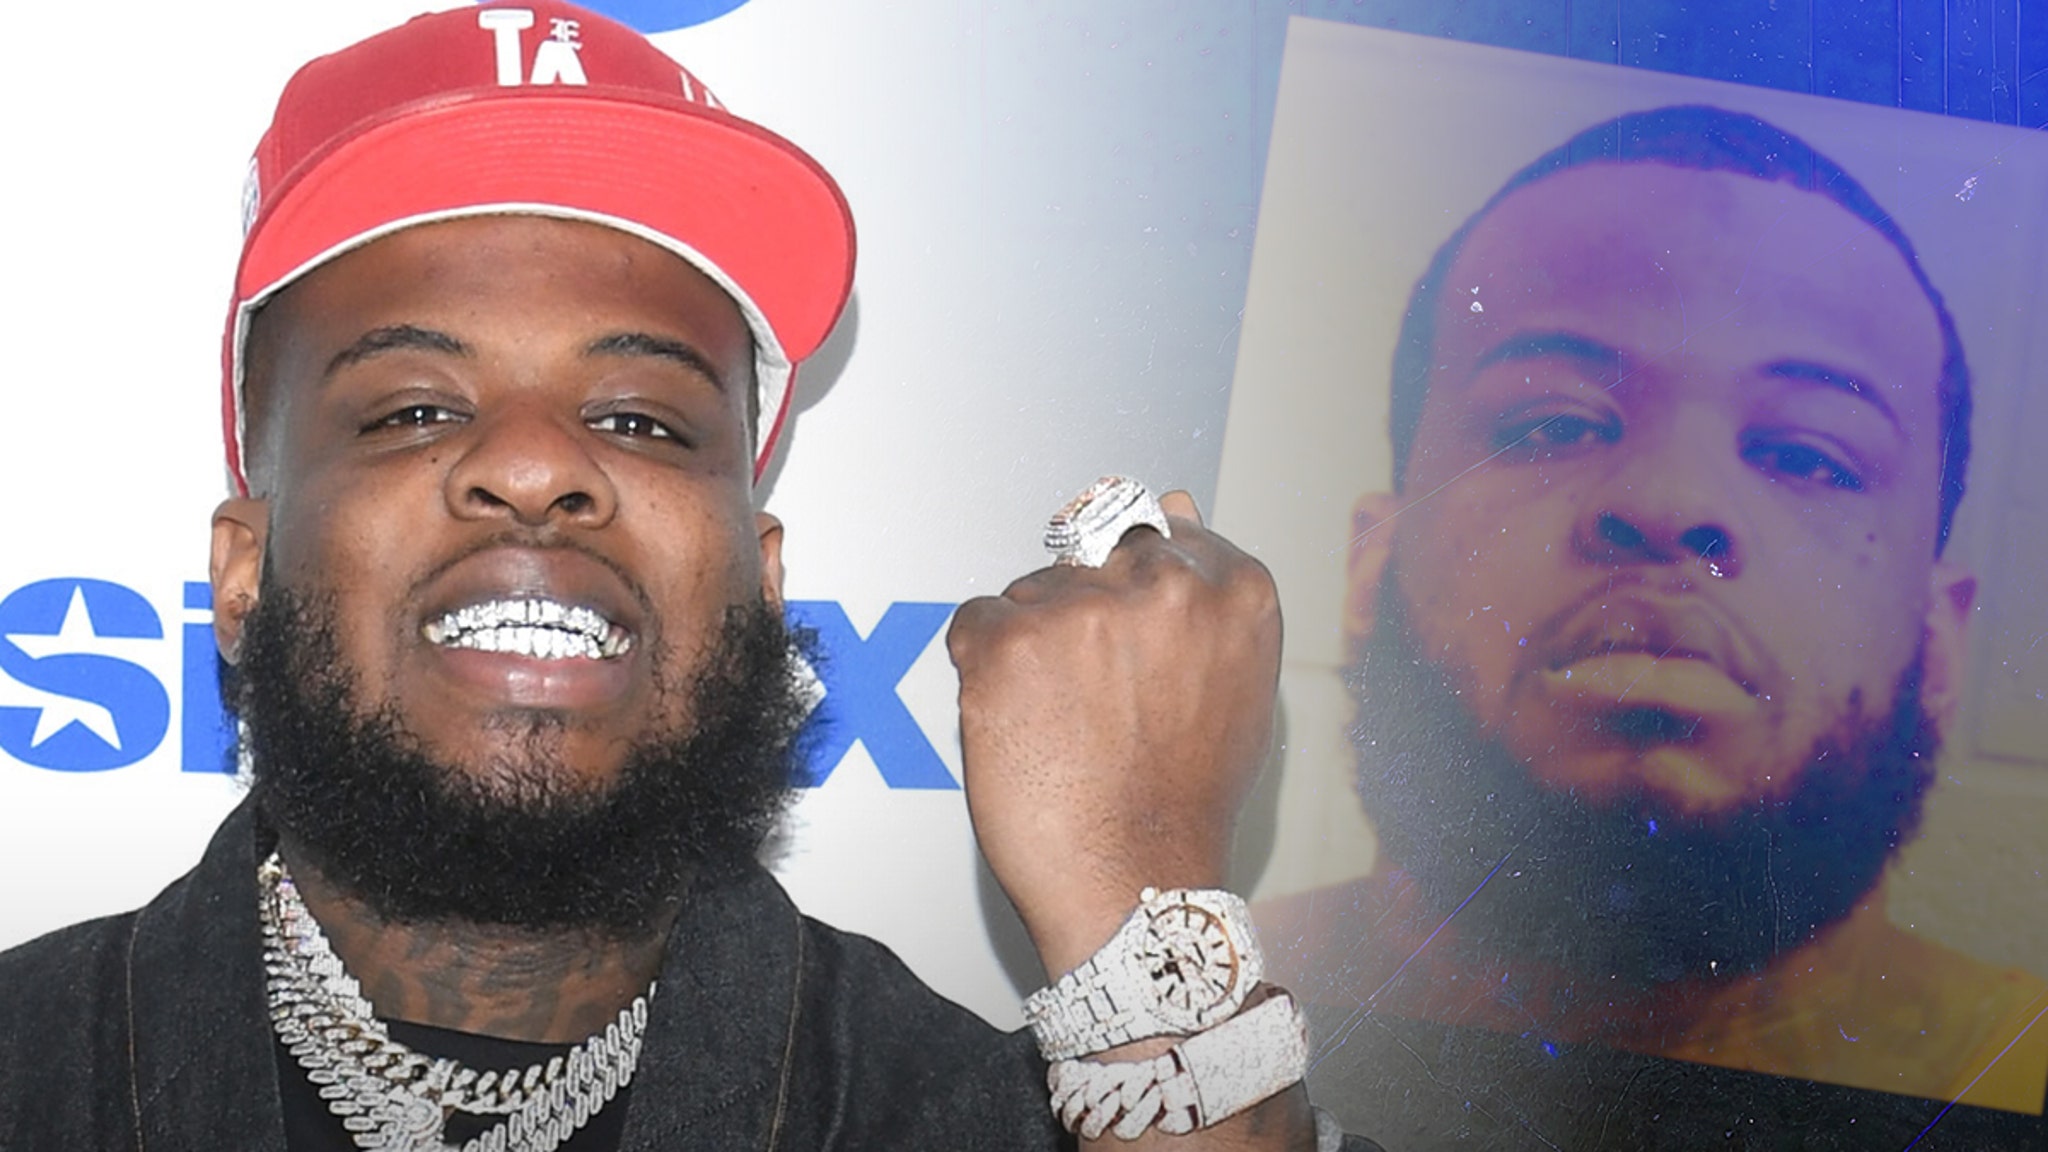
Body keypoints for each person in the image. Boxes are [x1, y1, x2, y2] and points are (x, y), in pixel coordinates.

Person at [0, 5, 1380, 1150]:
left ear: (763, 582)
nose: (535, 465)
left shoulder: (993, 1114)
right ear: (242, 574)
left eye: (643, 420)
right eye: (412, 408)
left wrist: (1140, 908)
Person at [1258, 105, 2048, 1137]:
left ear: (1938, 643)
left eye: (1806, 455)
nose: (1672, 504)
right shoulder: (1166, 1012)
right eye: (1551, 423)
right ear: (1370, 568)